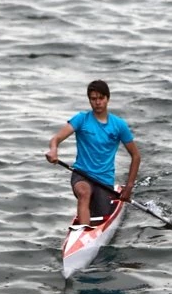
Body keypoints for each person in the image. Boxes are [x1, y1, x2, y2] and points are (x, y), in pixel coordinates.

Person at [45, 80, 141, 228]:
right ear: (89, 100)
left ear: (107, 99)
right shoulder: (81, 119)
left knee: (100, 211)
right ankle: (83, 232)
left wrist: (129, 187)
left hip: (104, 181)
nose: (97, 102)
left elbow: (136, 156)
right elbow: (56, 139)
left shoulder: (119, 125)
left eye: (101, 98)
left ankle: (94, 219)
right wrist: (53, 150)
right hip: (81, 174)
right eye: (93, 99)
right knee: (84, 194)